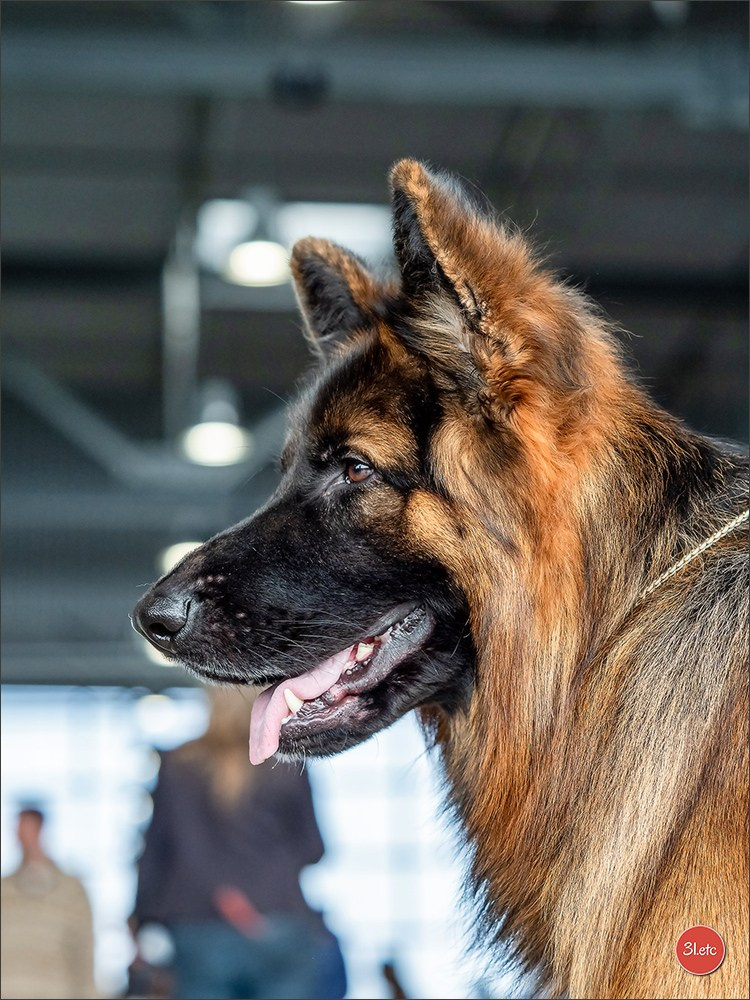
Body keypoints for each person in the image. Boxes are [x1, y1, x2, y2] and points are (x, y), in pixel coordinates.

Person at [131, 685, 346, 1000]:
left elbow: (156, 854)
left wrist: (140, 920)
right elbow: (314, 849)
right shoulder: (286, 763)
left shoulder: (177, 765)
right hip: (279, 919)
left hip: (198, 924)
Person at [1, 805, 99, 1000]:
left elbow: (84, 952)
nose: (23, 837)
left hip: (56, 989)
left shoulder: (71, 891)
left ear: (41, 829)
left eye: (28, 828)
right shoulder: (5, 891)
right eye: (19, 830)